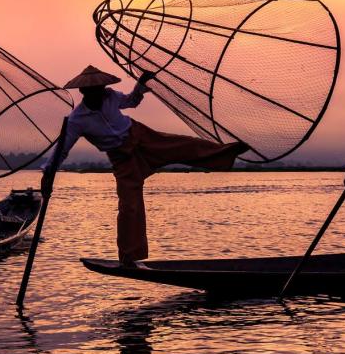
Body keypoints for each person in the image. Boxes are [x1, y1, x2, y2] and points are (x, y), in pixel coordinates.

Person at [42, 65, 248, 266]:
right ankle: (130, 256)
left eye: (100, 89)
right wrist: (48, 172)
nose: (98, 93)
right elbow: (62, 149)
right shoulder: (77, 120)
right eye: (93, 91)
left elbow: (131, 101)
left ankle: (227, 152)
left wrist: (140, 85)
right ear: (84, 92)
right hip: (122, 158)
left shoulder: (111, 96)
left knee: (183, 145)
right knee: (129, 206)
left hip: (140, 136)